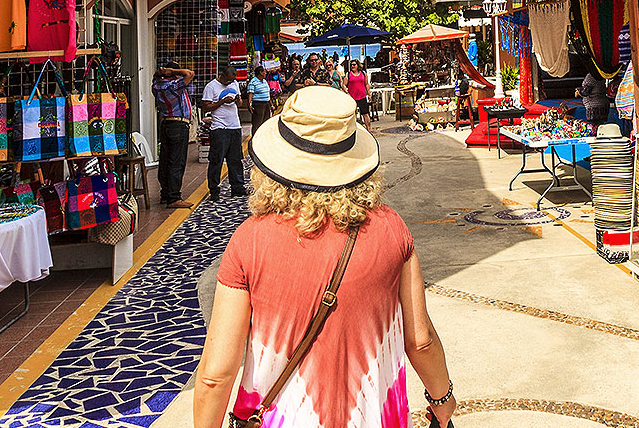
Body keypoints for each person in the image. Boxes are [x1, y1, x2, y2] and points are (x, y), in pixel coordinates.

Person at [193, 86, 457, 428]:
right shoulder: (391, 230)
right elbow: (420, 340)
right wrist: (442, 399)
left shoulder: (250, 240)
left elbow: (216, 375)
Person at [152, 60, 197, 208]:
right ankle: (174, 198)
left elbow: (156, 76)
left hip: (166, 124)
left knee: (165, 161)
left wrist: (165, 72)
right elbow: (190, 73)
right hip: (178, 125)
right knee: (176, 162)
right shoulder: (173, 86)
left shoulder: (156, 86)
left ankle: (165, 194)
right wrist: (173, 71)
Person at [200, 66, 248, 199]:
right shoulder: (211, 87)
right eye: (228, 81)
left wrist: (238, 100)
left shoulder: (234, 83)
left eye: (232, 81)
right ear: (222, 76)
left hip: (235, 126)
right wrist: (222, 101)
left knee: (236, 159)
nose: (230, 83)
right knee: (217, 160)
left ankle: (237, 187)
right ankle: (214, 189)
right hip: (219, 128)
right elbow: (205, 107)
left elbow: (239, 104)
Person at [246, 65, 274, 140]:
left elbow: (267, 94)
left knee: (266, 122)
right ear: (260, 73)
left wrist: (271, 104)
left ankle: (264, 138)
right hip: (258, 104)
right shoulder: (253, 82)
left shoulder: (264, 81)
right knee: (257, 123)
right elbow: (250, 94)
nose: (265, 73)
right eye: (264, 71)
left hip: (266, 103)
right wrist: (249, 104)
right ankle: (255, 139)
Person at [346, 60, 372, 127]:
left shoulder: (363, 73)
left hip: (362, 96)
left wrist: (369, 94)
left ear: (358, 65)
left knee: (365, 114)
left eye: (354, 65)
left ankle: (369, 130)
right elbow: (343, 84)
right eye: (351, 65)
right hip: (352, 97)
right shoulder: (348, 74)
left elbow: (366, 84)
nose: (352, 66)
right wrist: (346, 92)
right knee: (353, 115)